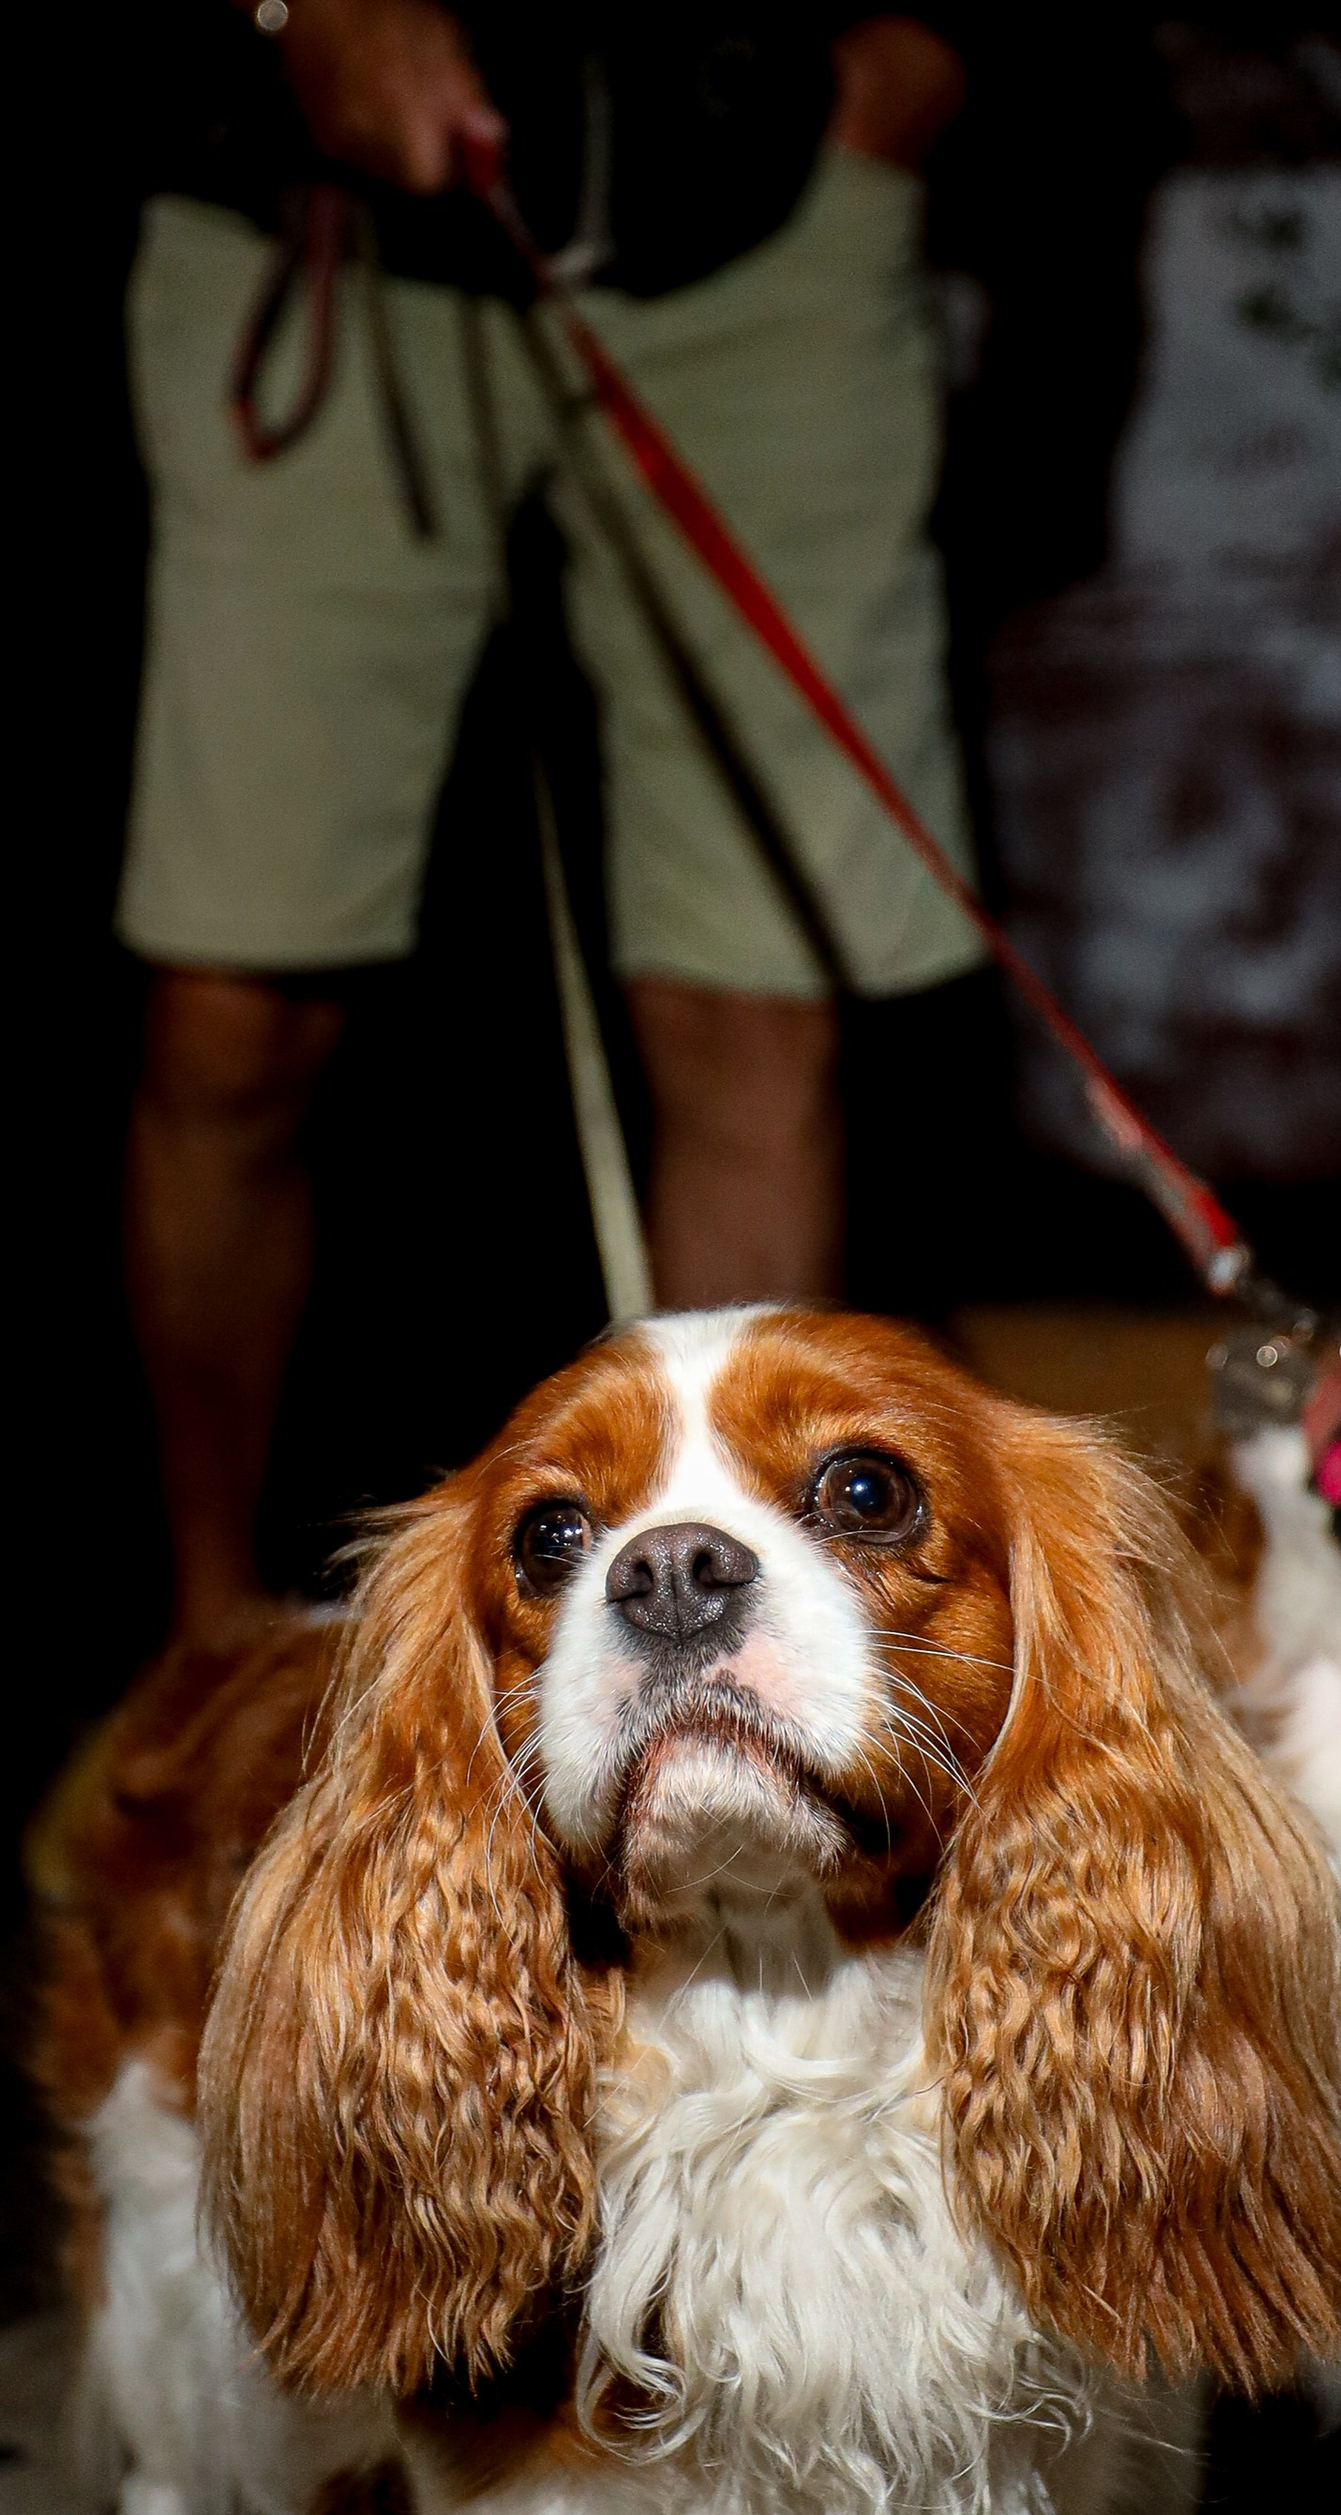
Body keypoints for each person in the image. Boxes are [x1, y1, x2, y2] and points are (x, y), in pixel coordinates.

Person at [120, 1, 977, 1644]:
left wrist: (913, 60)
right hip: (313, 231)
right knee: (235, 1006)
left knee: (760, 1005)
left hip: (770, 199)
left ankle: (733, 1646)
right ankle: (206, 1645)